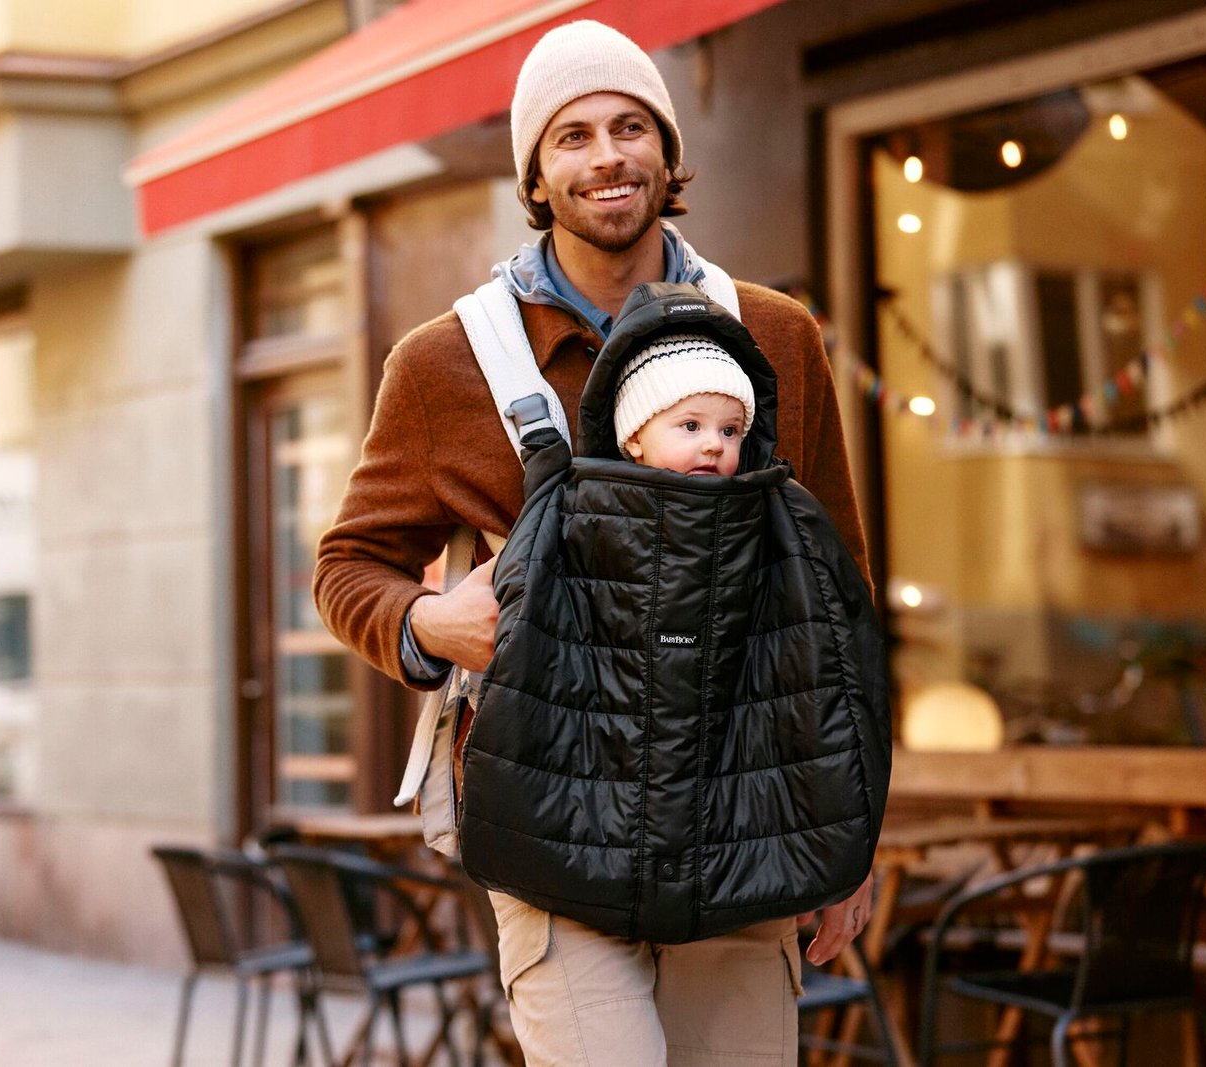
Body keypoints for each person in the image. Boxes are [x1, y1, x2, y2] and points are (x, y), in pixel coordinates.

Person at [313, 19, 877, 1065]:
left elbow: (837, 600)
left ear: (667, 153)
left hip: (744, 816)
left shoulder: (777, 337)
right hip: (550, 826)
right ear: (534, 173)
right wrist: (429, 619)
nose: (605, 156)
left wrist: (850, 837)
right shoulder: (445, 363)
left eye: (629, 126)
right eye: (569, 137)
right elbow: (346, 567)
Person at [614, 331, 756, 476]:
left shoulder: (763, 495)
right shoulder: (605, 498)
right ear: (635, 439)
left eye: (729, 431)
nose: (716, 445)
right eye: (691, 426)